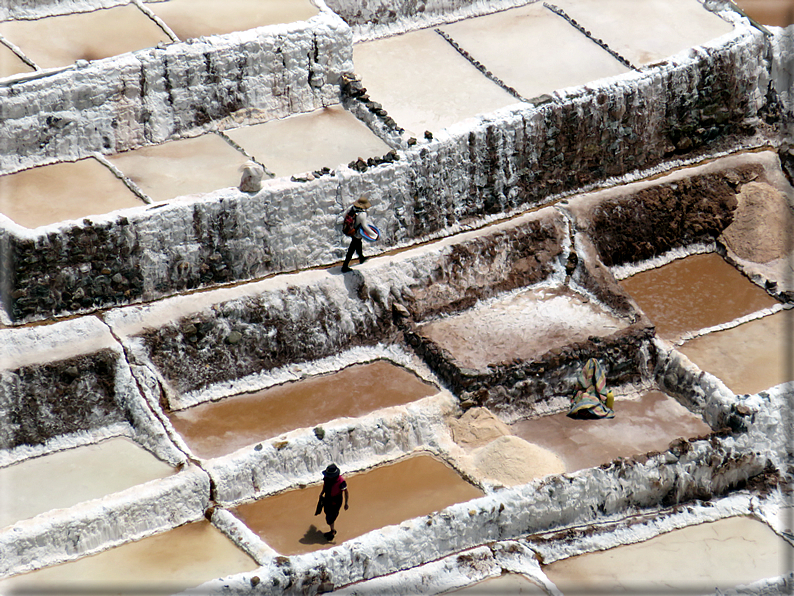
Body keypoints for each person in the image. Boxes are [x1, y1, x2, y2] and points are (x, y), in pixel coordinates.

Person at [317, 463, 349, 540]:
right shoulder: (327, 478)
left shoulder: (341, 481)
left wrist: (346, 503)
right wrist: (321, 493)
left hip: (336, 501)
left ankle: (332, 532)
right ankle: (332, 529)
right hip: (327, 498)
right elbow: (325, 486)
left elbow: (346, 491)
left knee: (331, 517)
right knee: (327, 513)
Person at [341, 196, 371, 273]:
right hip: (357, 232)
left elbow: (344, 215)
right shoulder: (362, 214)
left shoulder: (351, 208)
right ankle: (345, 266)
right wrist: (374, 235)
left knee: (358, 243)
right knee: (352, 248)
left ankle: (361, 257)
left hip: (351, 230)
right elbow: (365, 226)